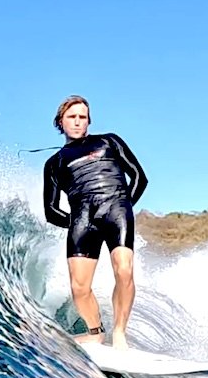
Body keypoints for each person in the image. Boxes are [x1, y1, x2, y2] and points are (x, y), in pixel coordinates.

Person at [43, 95, 148, 350]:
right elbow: (50, 210)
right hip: (82, 220)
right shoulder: (54, 163)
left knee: (124, 270)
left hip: (116, 210)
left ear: (89, 120)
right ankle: (95, 332)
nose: (78, 122)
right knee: (79, 287)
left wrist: (122, 206)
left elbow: (139, 177)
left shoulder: (109, 141)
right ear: (60, 121)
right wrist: (77, 222)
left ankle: (120, 332)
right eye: (72, 117)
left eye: (83, 117)